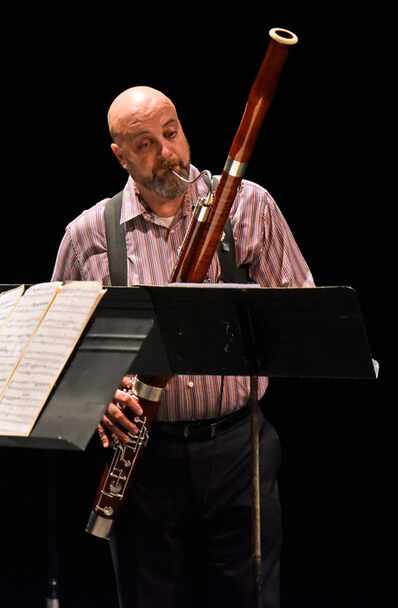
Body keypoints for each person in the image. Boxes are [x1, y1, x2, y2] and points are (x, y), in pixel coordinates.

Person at [52, 86, 314, 607]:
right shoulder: (87, 236)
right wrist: (95, 399)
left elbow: (303, 319)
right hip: (144, 459)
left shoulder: (247, 205)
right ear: (119, 156)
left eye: (171, 133)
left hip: (239, 449)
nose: (167, 153)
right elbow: (59, 353)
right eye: (144, 144)